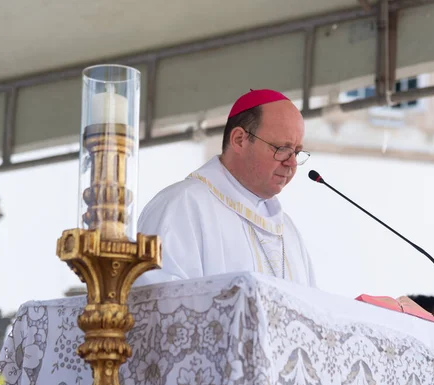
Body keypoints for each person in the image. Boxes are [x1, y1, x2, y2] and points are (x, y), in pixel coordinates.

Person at [134, 89, 316, 287]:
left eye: (296, 152)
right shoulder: (182, 206)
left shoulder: (288, 232)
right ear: (239, 140)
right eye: (282, 149)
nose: (291, 163)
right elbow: (156, 299)